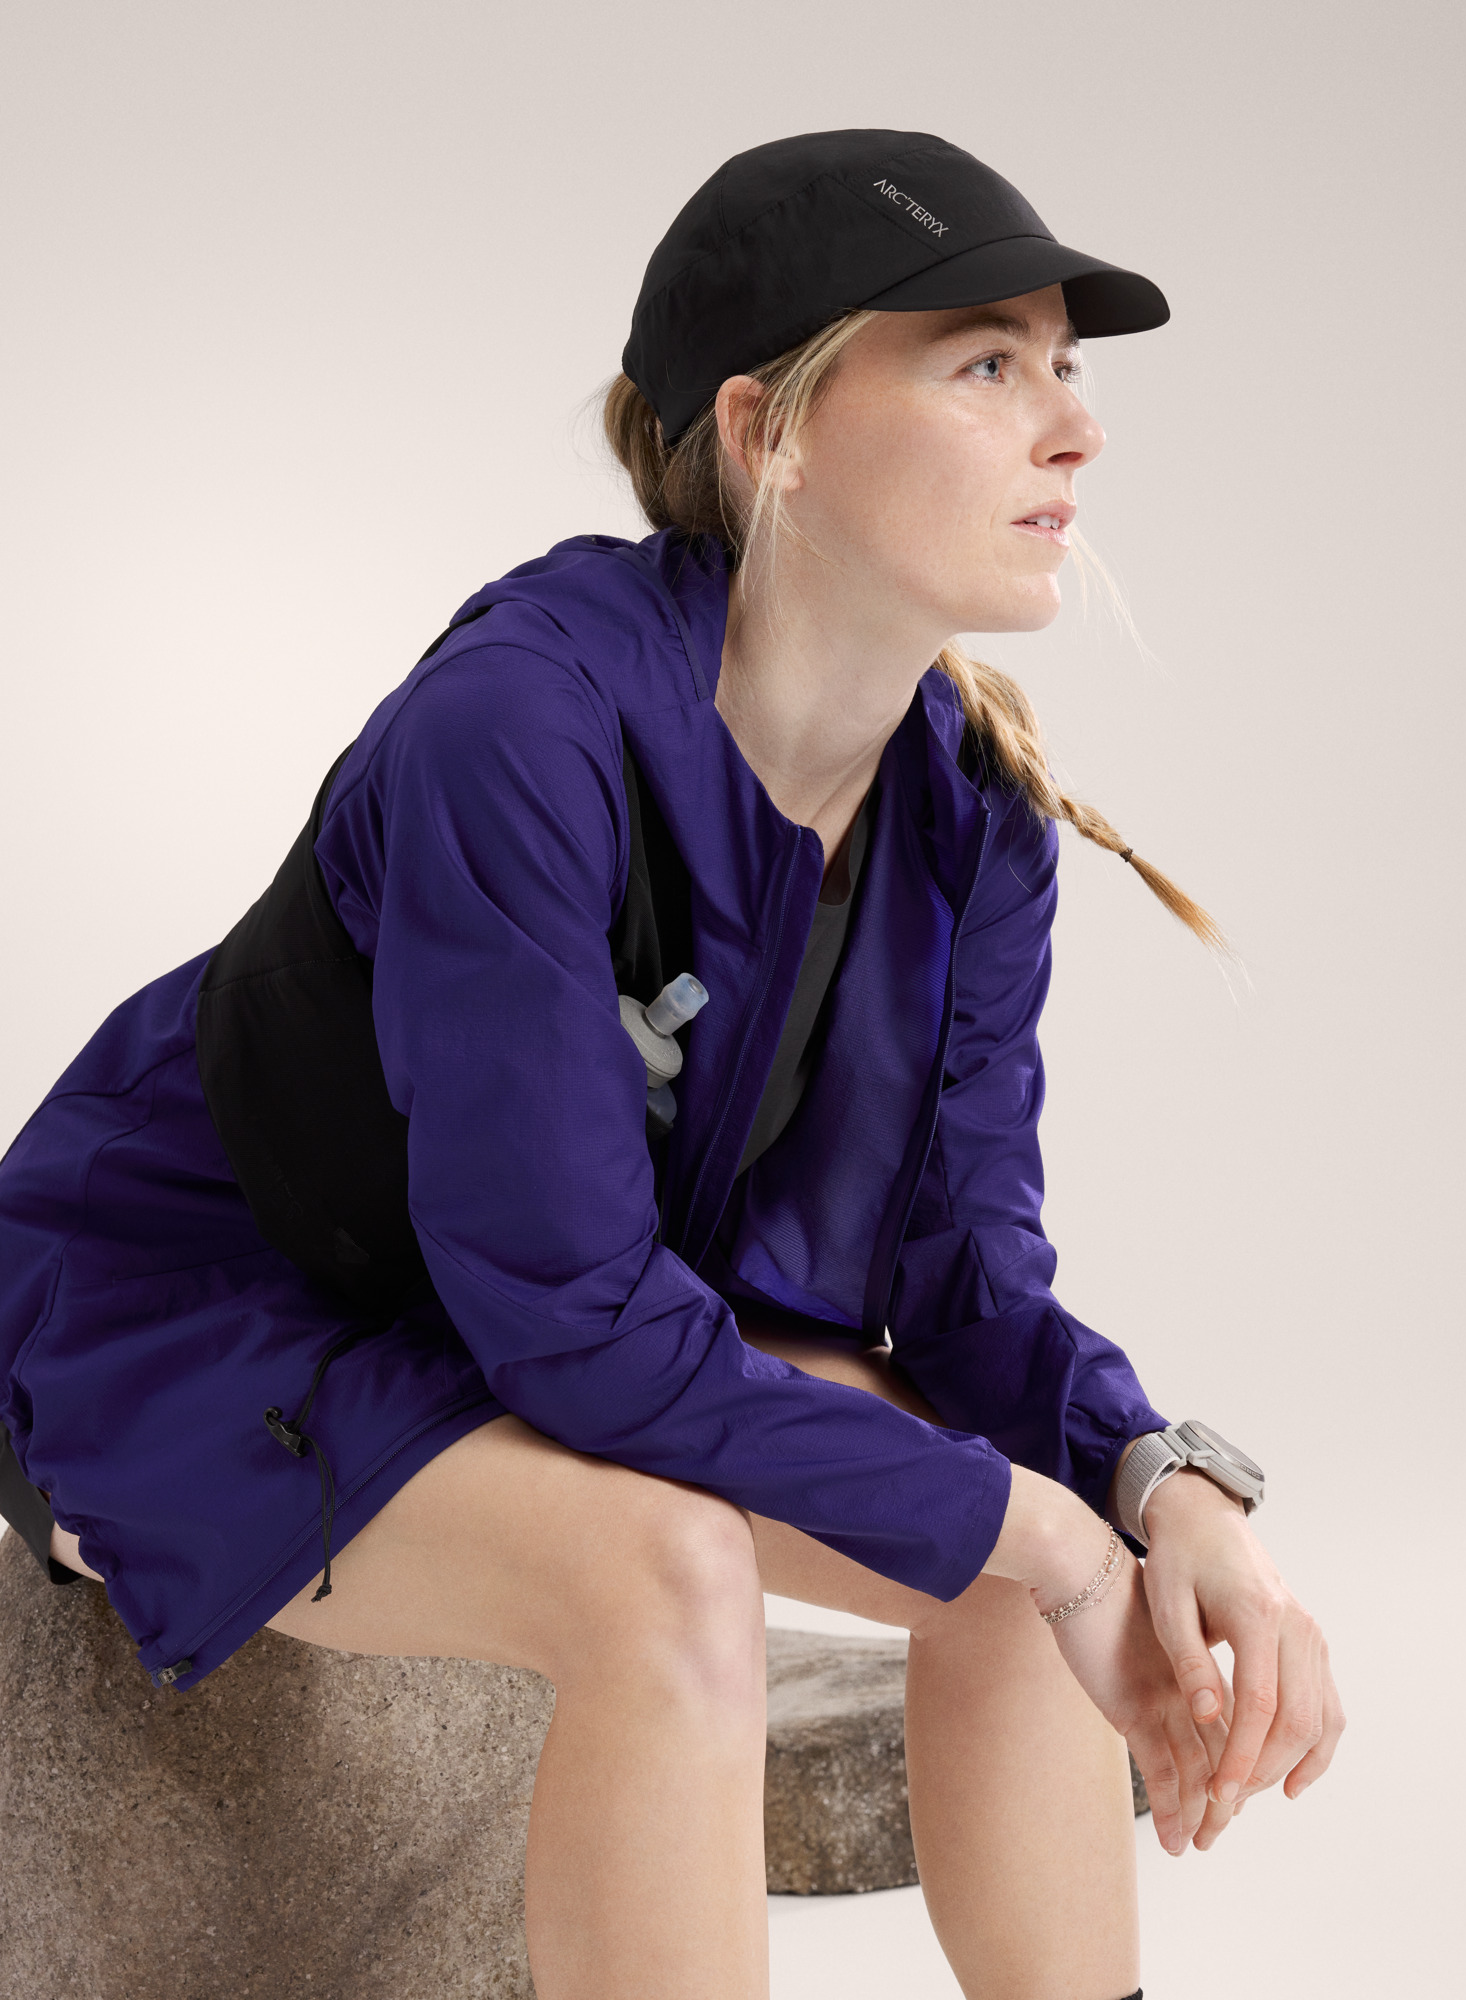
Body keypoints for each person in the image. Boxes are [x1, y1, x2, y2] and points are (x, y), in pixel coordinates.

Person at [0, 129, 1342, 2000]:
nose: (1074, 429)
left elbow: (967, 1290)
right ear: (766, 429)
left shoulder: (975, 815)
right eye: (986, 364)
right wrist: (1038, 1535)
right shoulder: (519, 727)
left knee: (1008, 1525)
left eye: (1064, 365)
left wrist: (1160, 1488)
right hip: (209, 1313)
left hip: (531, 1317)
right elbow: (568, 1315)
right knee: (693, 1574)